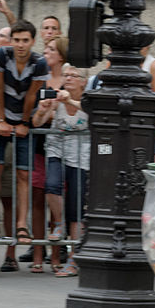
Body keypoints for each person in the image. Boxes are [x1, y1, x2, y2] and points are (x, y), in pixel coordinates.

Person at [0, 20, 50, 249]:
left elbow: (33, 95)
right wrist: (1, 120)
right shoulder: (3, 55)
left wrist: (24, 123)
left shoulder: (39, 62)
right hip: (2, 114)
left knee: (23, 174)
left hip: (24, 116)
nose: (20, 45)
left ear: (32, 41)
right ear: (11, 41)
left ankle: (22, 223)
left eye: (25, 40)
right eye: (16, 40)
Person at [32, 64, 90, 277]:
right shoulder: (57, 100)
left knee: (76, 208)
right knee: (52, 185)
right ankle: (58, 223)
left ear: (84, 80)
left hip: (81, 157)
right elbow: (36, 122)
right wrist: (42, 109)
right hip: (57, 150)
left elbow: (91, 112)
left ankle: (73, 260)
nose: (69, 78)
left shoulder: (88, 99)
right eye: (66, 75)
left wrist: (70, 101)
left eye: (74, 75)